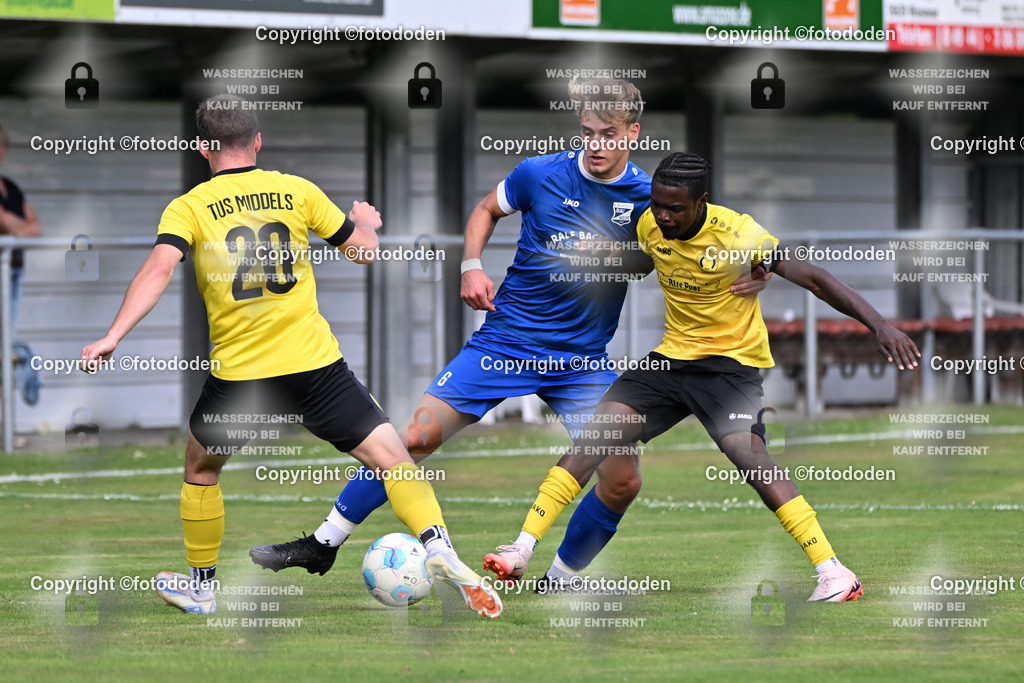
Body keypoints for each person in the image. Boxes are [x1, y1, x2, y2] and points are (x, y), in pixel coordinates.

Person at [249, 80, 769, 589]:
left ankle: (558, 580)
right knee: (414, 438)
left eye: (609, 134)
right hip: (505, 343)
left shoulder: (648, 197)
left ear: (633, 132)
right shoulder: (538, 173)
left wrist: (759, 263)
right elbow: (485, 209)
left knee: (623, 479)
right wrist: (471, 265)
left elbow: (705, 237)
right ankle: (323, 543)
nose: (596, 145)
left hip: (582, 360)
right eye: (588, 132)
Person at [79, 94, 502, 618]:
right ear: (258, 141)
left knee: (201, 467)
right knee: (394, 461)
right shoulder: (297, 190)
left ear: (202, 148)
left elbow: (159, 269)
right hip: (314, 366)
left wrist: (113, 335)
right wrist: (365, 221)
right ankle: (439, 549)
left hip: (242, 375)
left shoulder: (188, 206)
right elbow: (364, 251)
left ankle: (202, 588)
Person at [495, 152, 921, 601]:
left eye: (675, 208)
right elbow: (644, 261)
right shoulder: (650, 224)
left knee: (750, 459)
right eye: (657, 205)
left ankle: (833, 571)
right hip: (671, 362)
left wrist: (881, 326)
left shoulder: (739, 233)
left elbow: (813, 277)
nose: (663, 215)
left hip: (729, 367)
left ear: (701, 202)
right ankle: (524, 551)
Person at [0, 124, 42, 333]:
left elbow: (36, 228)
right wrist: (20, 225)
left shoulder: (11, 187)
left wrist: (13, 227)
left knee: (7, 334)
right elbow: (4, 222)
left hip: (14, 267)